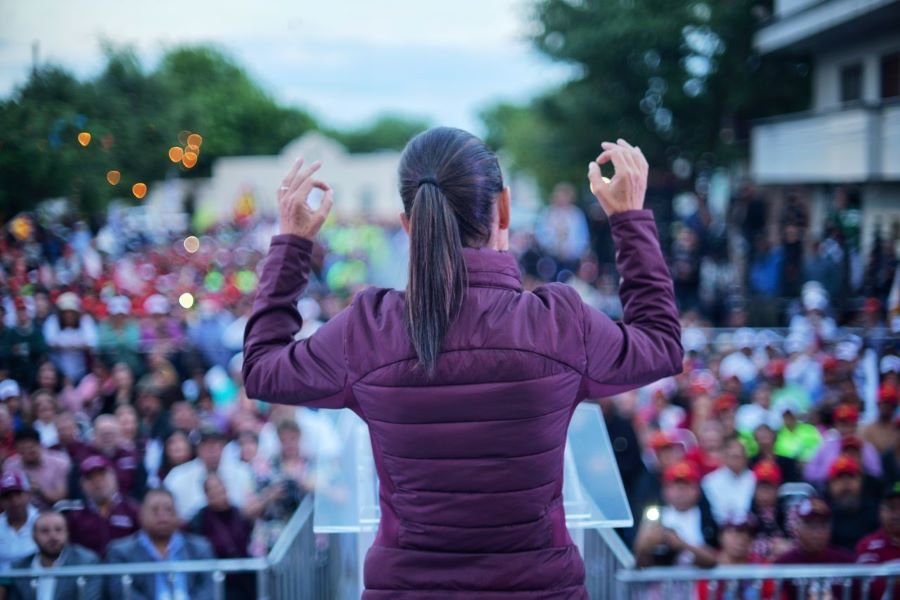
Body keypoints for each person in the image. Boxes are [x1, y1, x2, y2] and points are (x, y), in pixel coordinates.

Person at [242, 131, 683, 598]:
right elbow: (661, 343)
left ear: (409, 225)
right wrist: (629, 219)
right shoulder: (557, 324)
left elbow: (262, 369)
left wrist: (292, 243)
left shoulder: (370, 329)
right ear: (504, 209)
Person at [105, 488, 214, 600]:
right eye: (155, 510)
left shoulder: (200, 549)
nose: (162, 516)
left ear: (178, 515)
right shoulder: (120, 553)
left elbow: (209, 590)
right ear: (141, 515)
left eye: (169, 510)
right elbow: (122, 593)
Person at [633, 461, 718, 568]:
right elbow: (639, 561)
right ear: (664, 491)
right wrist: (647, 542)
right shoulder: (656, 516)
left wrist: (681, 544)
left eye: (686, 486)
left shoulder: (707, 517)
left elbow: (714, 560)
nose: (680, 492)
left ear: (697, 490)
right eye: (675, 486)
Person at [3, 511, 102, 600]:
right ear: (33, 536)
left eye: (58, 530)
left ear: (67, 533)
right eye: (45, 531)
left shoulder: (85, 562)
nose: (53, 536)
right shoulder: (21, 567)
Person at [56, 455, 140, 558]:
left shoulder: (134, 510)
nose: (97, 482)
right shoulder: (75, 516)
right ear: (82, 485)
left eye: (102, 475)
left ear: (114, 477)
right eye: (90, 478)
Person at [163, 426, 254, 520]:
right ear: (198, 449)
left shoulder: (242, 471)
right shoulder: (178, 476)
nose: (212, 451)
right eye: (206, 446)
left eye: (217, 445)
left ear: (223, 447)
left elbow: (248, 508)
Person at [774, 498, 855, 599]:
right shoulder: (783, 563)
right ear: (797, 528)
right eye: (810, 525)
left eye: (822, 525)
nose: (816, 533)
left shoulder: (846, 561)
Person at [3, 427, 70, 509]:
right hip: (20, 511)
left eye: (31, 449)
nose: (27, 453)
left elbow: (60, 498)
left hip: (51, 511)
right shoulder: (10, 465)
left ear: (40, 445)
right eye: (22, 450)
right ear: (16, 449)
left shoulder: (59, 462)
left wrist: (40, 491)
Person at [856, 481, 900, 599]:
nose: (897, 514)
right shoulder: (867, 545)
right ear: (881, 511)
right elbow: (872, 588)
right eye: (891, 507)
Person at [701, 434, 755, 524]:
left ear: (746, 458)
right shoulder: (710, 481)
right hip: (720, 527)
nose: (735, 461)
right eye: (731, 456)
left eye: (738, 456)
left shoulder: (754, 479)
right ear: (724, 457)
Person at [0, 471, 38, 571]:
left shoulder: (42, 522)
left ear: (28, 494)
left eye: (18, 494)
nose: (14, 501)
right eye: (7, 496)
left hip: (35, 578)